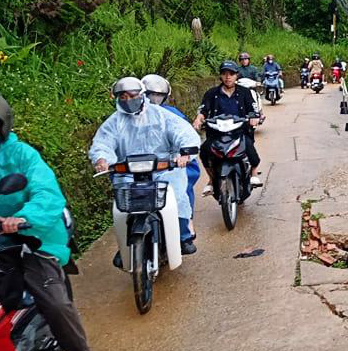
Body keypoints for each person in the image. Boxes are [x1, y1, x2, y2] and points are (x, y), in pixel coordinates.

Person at [0, 91, 100, 351]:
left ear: (1, 125)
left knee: (53, 301)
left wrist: (22, 218)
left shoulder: (22, 155)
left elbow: (47, 194)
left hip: (28, 237)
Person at [90, 78, 201, 255]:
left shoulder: (162, 115)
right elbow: (103, 142)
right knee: (122, 208)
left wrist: (184, 154)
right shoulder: (114, 121)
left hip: (164, 169)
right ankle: (125, 247)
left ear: (141, 95)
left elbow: (183, 132)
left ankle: (183, 236)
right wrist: (102, 159)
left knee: (178, 198)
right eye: (123, 96)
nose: (128, 100)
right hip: (129, 173)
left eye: (131, 95)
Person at [141, 74, 201, 243]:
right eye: (149, 94)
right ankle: (127, 238)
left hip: (168, 164)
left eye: (157, 95)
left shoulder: (173, 115)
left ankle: (185, 226)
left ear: (165, 97)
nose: (153, 99)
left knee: (184, 181)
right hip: (140, 166)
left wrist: (183, 155)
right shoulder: (129, 116)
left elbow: (186, 136)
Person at [193, 62, 262, 194]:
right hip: (216, 133)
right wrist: (198, 119)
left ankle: (253, 173)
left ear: (236, 76)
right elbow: (203, 110)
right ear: (220, 76)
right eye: (224, 74)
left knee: (248, 146)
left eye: (231, 74)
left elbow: (253, 109)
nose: (228, 77)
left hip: (239, 131)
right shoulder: (211, 93)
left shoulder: (245, 92)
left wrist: (254, 117)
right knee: (204, 151)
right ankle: (212, 179)